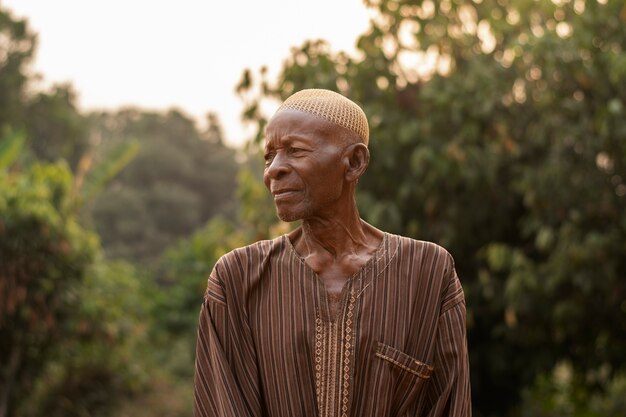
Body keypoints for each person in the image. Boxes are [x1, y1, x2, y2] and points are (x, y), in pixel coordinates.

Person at [193, 89, 471, 417]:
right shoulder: (237, 279)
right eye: (269, 156)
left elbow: (450, 405)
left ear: (354, 162)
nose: (273, 171)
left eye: (295, 151)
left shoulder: (429, 272)